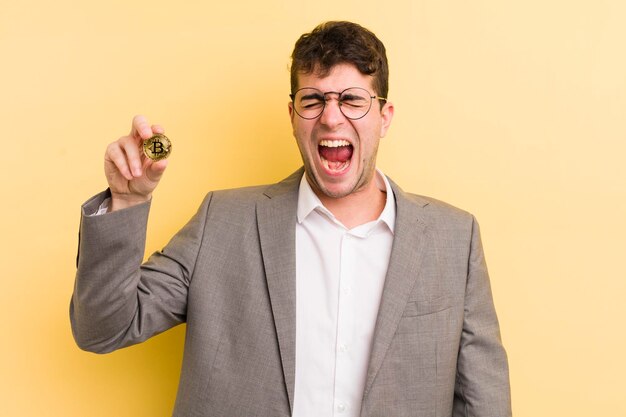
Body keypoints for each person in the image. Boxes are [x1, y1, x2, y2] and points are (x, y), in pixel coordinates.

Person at [71, 21, 511, 417]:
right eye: (313, 100)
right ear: (293, 115)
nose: (331, 116)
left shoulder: (454, 239)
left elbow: (484, 404)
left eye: (353, 100)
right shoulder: (221, 222)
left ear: (384, 118)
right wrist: (126, 202)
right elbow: (102, 329)